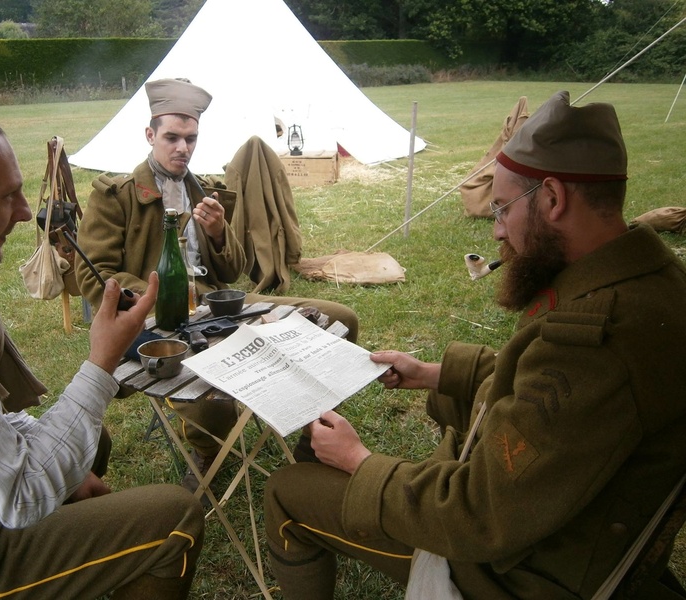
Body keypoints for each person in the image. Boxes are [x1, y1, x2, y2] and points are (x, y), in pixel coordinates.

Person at [263, 90, 686, 599]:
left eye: (503, 209)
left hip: (524, 572)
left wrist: (360, 462)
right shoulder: (653, 282)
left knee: (287, 494)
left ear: (553, 199)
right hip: (576, 522)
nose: (497, 231)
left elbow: (477, 516)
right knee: (449, 396)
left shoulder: (594, 342)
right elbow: (546, 397)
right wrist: (434, 373)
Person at [0, 76, 204, 600]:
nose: (21, 213)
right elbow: (23, 493)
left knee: (86, 445)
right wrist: (100, 363)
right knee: (174, 516)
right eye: (8, 195)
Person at [75, 78, 359, 494]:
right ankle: (207, 451)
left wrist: (220, 232)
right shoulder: (116, 195)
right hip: (160, 318)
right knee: (215, 377)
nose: (182, 148)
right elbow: (94, 273)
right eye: (171, 137)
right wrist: (162, 294)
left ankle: (312, 439)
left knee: (340, 318)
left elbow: (234, 270)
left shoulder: (204, 191)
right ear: (150, 135)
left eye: (190, 139)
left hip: (221, 308)